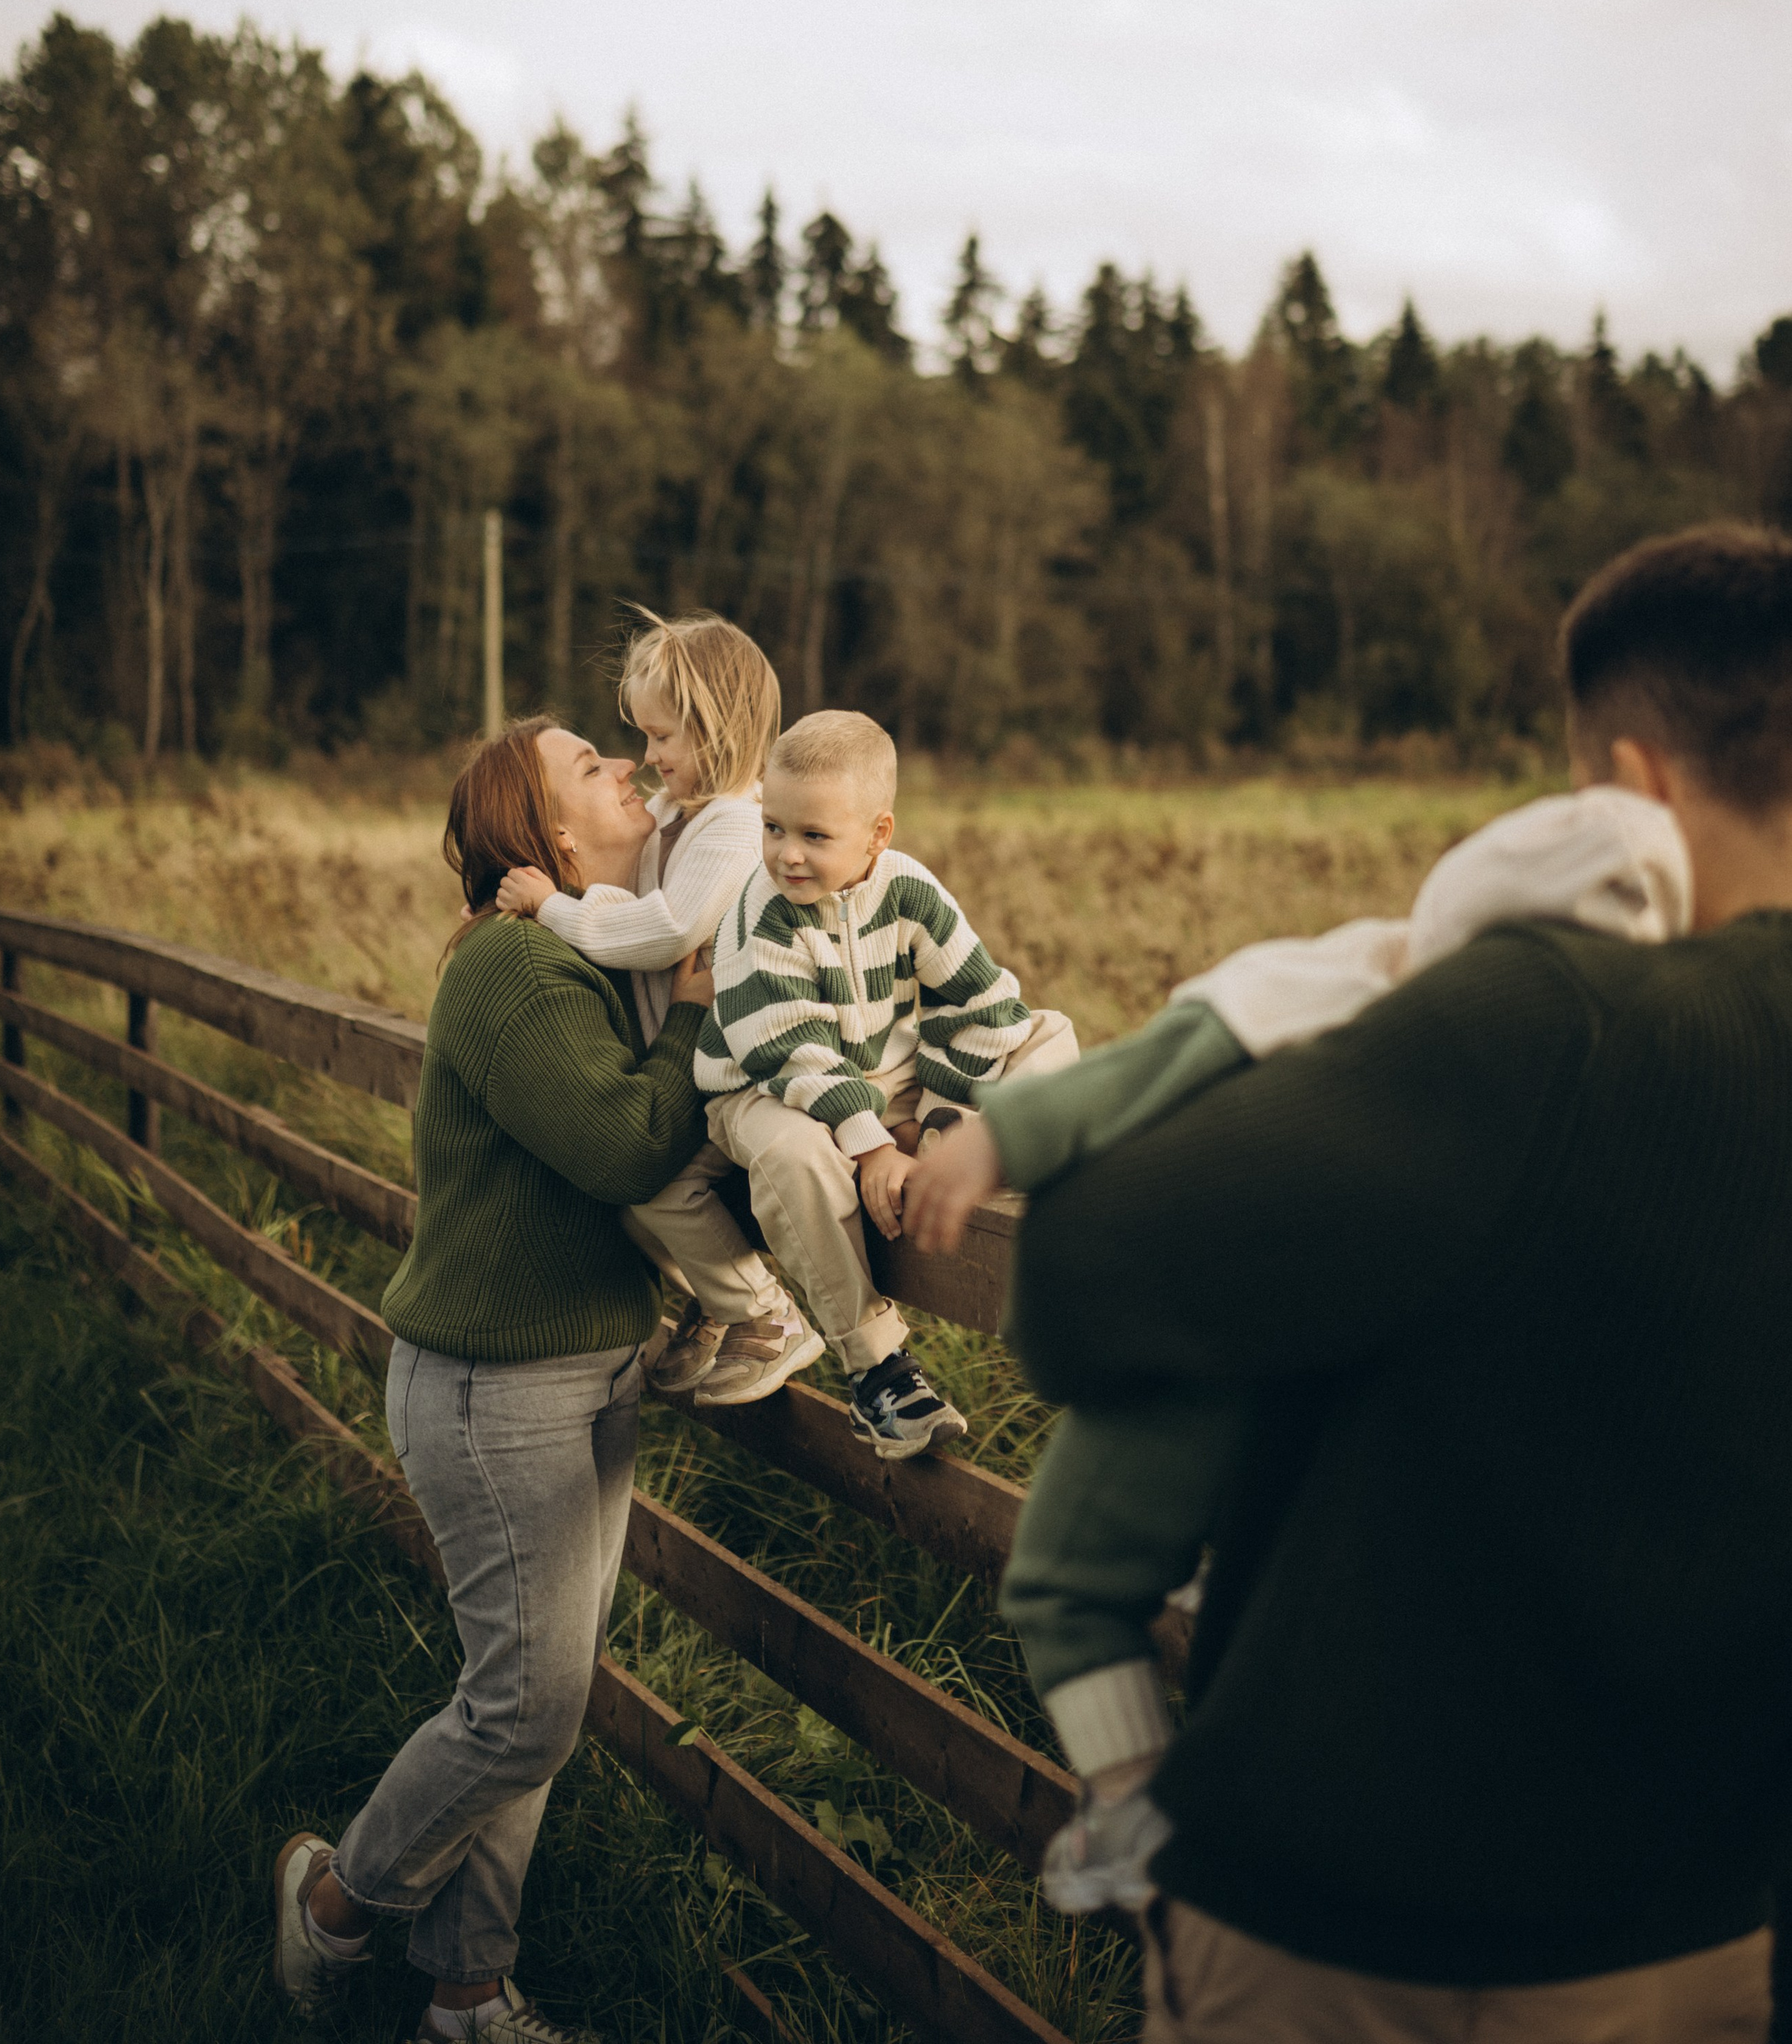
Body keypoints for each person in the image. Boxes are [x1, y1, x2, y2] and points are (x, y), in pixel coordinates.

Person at [937, 523, 1792, 2043]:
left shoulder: (1553, 1019)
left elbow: (1086, 1273)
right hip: (1699, 1933)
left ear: (1628, 790)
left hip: (1361, 1930)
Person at [909, 785, 1693, 1919]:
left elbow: (1138, 1081)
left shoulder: (1372, 997)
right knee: (1077, 1570)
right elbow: (1138, 1078)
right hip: (1265, 1337)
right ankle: (1137, 1795)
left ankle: (1135, 1795)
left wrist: (996, 1141)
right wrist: (998, 1138)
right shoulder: (1385, 1005)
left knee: (1073, 1576)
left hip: (1244, 1341)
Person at [271, 717, 713, 2044]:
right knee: (525, 1710)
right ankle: (336, 1909)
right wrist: (697, 1008)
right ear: (552, 839)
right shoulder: (517, 966)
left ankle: (467, 1996)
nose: (626, 764)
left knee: (538, 1697)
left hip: (587, 1367)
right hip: (491, 1387)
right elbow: (627, 1141)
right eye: (591, 762)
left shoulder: (589, 949)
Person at [697, 708, 1077, 1458]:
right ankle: (875, 1367)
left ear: (878, 834)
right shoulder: (761, 911)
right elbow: (791, 1049)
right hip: (764, 1087)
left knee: (1047, 1031)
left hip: (885, 1074)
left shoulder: (907, 890)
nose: (786, 855)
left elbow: (981, 1005)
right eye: (772, 828)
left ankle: (985, 1150)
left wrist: (937, 1120)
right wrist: (871, 1146)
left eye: (813, 836)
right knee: (796, 1154)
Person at [493, 610, 825, 1408]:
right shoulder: (678, 821)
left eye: (662, 737)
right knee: (633, 1203)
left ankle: (768, 1317)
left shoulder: (736, 827)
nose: (646, 758)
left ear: (719, 730)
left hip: (738, 1071)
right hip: (686, 1071)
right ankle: (719, 1308)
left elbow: (667, 929)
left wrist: (552, 910)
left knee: (662, 1191)